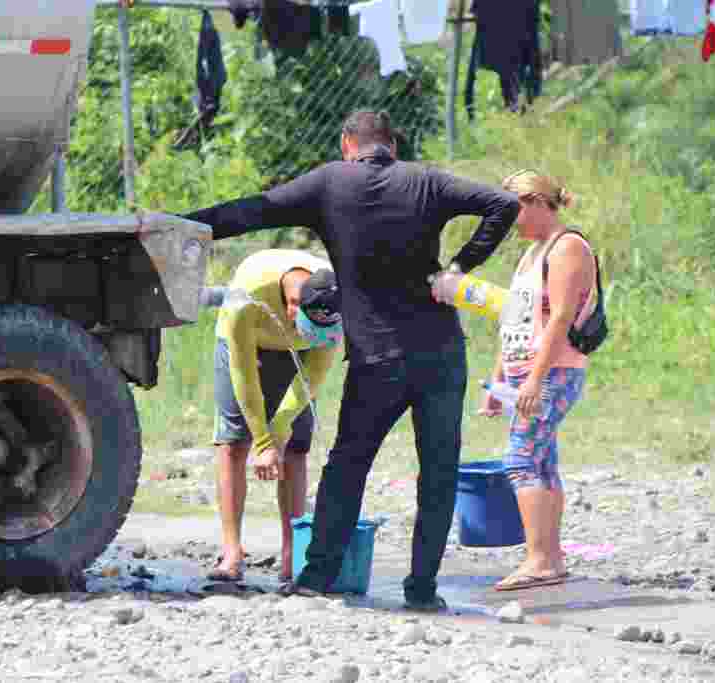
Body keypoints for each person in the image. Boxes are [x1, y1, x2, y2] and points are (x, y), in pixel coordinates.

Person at [185, 110, 520, 611]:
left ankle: (316, 577)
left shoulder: (329, 184)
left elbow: (252, 211)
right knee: (438, 471)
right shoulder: (424, 181)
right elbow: (504, 203)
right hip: (441, 355)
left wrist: (184, 225)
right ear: (392, 146)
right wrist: (460, 266)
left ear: (348, 144)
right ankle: (422, 590)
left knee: (348, 465)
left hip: (377, 359)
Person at [476, 169, 597, 591]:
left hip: (553, 371)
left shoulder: (567, 248)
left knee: (521, 458)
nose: (510, 223)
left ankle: (540, 559)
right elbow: (516, 318)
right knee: (541, 460)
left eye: (514, 212)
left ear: (537, 202)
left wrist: (534, 379)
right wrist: (497, 381)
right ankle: (550, 557)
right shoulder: (532, 253)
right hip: (524, 372)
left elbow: (561, 317)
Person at [206, 249, 343, 583]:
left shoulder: (332, 299)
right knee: (233, 444)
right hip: (244, 343)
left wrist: (279, 433)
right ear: (293, 306)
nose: (317, 338)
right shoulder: (248, 298)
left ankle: (291, 554)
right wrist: (263, 441)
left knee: (296, 448)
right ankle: (232, 553)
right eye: (308, 328)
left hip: (295, 354)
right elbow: (243, 373)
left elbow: (312, 377)